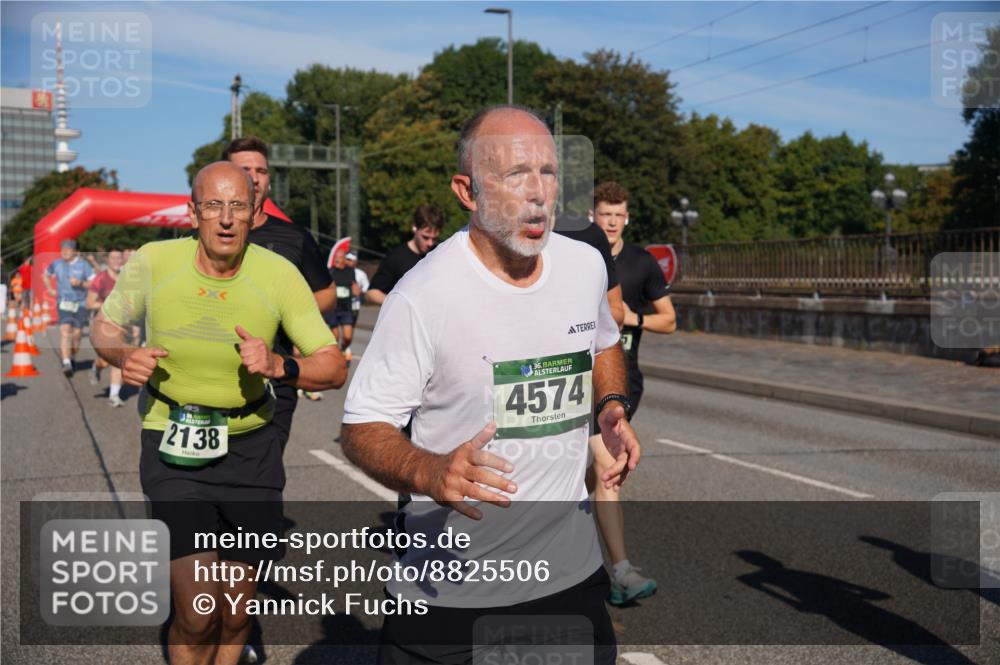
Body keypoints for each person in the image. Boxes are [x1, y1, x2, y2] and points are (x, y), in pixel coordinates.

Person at [342, 106, 640, 665]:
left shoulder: (583, 266)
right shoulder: (423, 295)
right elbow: (362, 428)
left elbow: (603, 342)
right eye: (514, 175)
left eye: (549, 173)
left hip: (567, 580)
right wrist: (429, 471)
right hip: (450, 594)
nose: (538, 194)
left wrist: (611, 406)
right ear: (468, 191)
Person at [90, 162, 346, 665]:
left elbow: (332, 364)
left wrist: (280, 364)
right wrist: (122, 355)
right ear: (192, 212)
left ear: (254, 212)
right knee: (198, 611)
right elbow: (105, 326)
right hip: (173, 440)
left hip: (252, 448)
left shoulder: (278, 274)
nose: (225, 219)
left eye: (237, 207)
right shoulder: (153, 261)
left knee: (234, 612)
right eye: (213, 206)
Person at [590, 180, 676, 605]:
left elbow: (670, 320)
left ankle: (614, 570)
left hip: (623, 382)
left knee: (598, 471)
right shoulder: (579, 258)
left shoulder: (641, 263)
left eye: (618, 214)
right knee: (599, 470)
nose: (612, 220)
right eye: (605, 213)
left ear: (628, 217)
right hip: (575, 381)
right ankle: (615, 569)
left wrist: (628, 320)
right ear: (593, 215)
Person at [225, 135, 339, 444]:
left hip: (274, 378)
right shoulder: (203, 236)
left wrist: (289, 314)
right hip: (215, 376)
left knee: (261, 479)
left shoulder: (294, 238)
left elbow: (327, 293)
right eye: (245, 169)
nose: (254, 177)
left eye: (261, 171)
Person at [365, 204, 443, 304]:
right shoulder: (396, 257)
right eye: (425, 237)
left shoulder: (439, 254)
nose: (430, 243)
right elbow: (371, 293)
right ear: (415, 227)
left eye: (434, 239)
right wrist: (398, 304)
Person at [44, 239, 94, 376]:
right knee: (65, 331)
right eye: (62, 249)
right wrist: (50, 289)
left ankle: (71, 356)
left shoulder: (84, 265)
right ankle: (66, 362)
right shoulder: (56, 264)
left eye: (68, 249)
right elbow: (46, 275)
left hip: (80, 303)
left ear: (75, 251)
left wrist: (81, 283)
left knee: (77, 335)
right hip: (63, 302)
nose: (64, 252)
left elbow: (93, 282)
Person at [86, 248, 126, 406]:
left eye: (119, 258)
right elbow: (89, 303)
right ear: (107, 260)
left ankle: (114, 395)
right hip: (102, 324)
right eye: (113, 257)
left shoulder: (127, 278)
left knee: (119, 358)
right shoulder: (100, 278)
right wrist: (110, 306)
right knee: (106, 359)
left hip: (122, 325)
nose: (117, 260)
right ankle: (97, 366)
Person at [325, 248, 358, 362]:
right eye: (335, 258)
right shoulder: (330, 271)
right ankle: (335, 356)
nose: (337, 260)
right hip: (333, 309)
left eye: (339, 258)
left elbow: (354, 284)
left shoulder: (350, 271)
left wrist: (356, 290)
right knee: (335, 336)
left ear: (344, 259)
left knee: (348, 337)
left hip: (346, 308)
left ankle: (342, 349)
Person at [345, 250, 369, 326]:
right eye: (346, 259)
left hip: (354, 304)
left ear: (355, 262)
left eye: (350, 260)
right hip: (340, 304)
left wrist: (359, 292)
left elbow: (366, 288)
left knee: (350, 328)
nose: (347, 262)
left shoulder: (360, 274)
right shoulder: (339, 272)